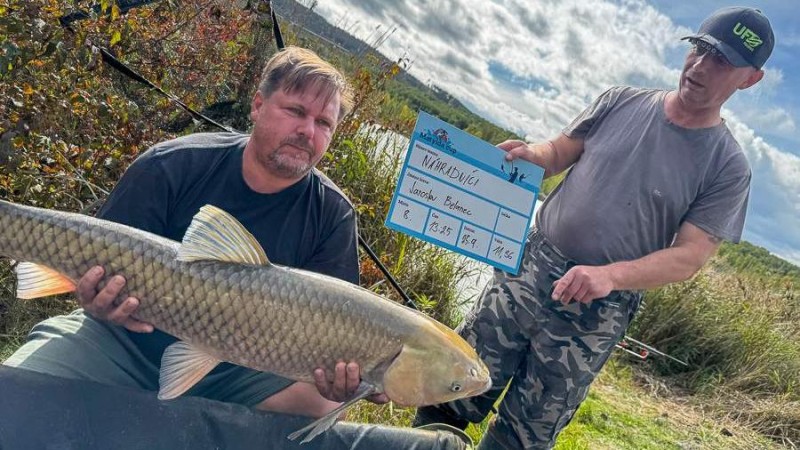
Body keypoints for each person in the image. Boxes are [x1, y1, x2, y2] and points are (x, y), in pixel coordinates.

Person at [4, 46, 473, 449]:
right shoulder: (173, 166)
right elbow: (91, 268)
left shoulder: (332, 215)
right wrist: (93, 300)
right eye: (295, 111)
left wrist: (348, 383)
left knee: (319, 402)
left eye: (323, 123)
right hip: (121, 341)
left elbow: (335, 354)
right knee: (17, 397)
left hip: (235, 364)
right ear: (257, 104)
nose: (307, 131)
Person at [414, 6, 775, 450]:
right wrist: (532, 155)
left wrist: (609, 276)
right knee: (451, 392)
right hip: (528, 268)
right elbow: (559, 151)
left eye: (721, 61)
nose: (700, 65)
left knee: (524, 435)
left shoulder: (728, 166)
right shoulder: (620, 100)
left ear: (749, 79)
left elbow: (690, 256)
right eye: (699, 49)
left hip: (597, 310)